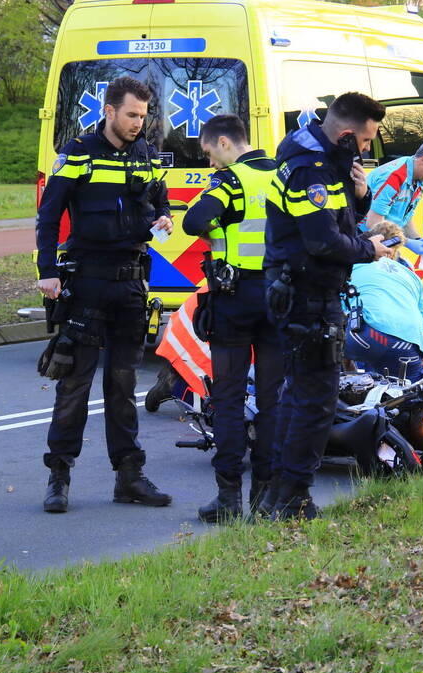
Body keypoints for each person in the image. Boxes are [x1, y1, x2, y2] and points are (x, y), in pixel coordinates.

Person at [35, 76, 173, 513]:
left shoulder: (146, 156)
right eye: (132, 115)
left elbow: (161, 201)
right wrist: (47, 271)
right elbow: (49, 216)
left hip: (131, 284)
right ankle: (59, 477)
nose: (139, 123)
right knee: (74, 384)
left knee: (124, 383)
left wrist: (165, 219)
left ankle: (128, 477)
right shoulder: (76, 154)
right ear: (109, 111)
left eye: (144, 116)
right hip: (87, 283)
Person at [264, 92, 389, 520]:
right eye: (367, 142)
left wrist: (360, 196)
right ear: (348, 135)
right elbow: (322, 241)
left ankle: (276, 494)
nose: (368, 151)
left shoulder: (322, 162)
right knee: (314, 401)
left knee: (298, 396)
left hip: (304, 291)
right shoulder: (310, 171)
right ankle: (293, 499)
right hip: (306, 296)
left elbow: (338, 220)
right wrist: (370, 250)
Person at [180, 114, 283, 523]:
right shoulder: (281, 176)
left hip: (234, 298)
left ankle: (228, 499)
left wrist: (217, 233)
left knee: (227, 400)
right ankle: (264, 497)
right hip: (278, 298)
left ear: (224, 142)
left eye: (209, 154)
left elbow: (193, 221)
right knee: (273, 401)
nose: (210, 164)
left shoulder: (230, 182)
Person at [345, 221, 423, 382]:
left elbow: (339, 314)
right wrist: (417, 372)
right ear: (395, 252)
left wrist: (348, 370)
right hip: (405, 345)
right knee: (409, 399)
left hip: (365, 337)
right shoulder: (412, 276)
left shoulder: (351, 265)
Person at [361, 139, 423, 253]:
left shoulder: (419, 180)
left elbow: (405, 218)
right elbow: (373, 223)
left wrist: (418, 240)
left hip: (385, 239)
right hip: (363, 238)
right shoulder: (394, 177)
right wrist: (407, 242)